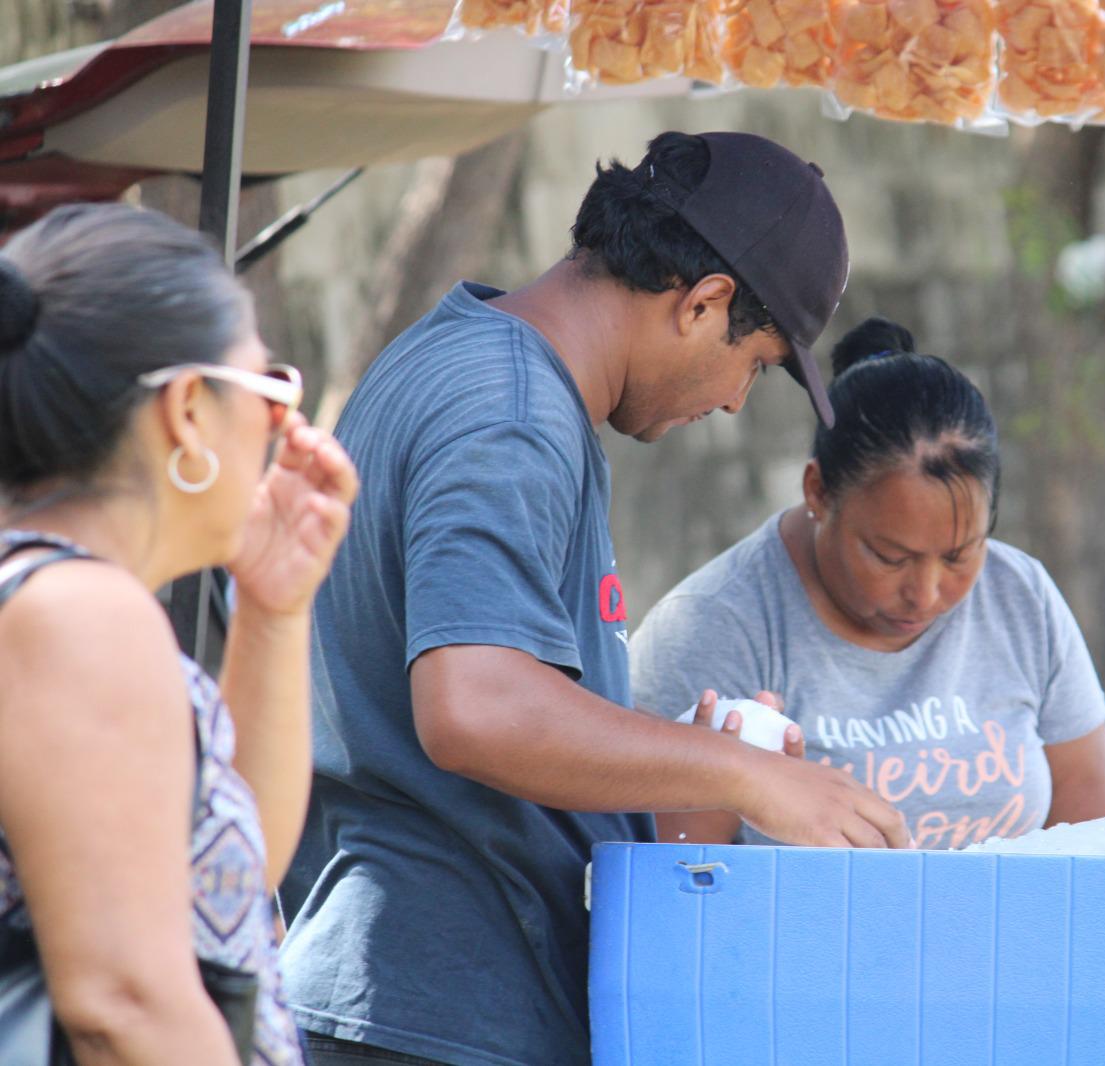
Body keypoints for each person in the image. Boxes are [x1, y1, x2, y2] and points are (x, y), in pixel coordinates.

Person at [278, 131, 909, 1066]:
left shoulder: (467, 360)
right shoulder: (510, 411)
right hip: (434, 1014)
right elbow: (475, 707)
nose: (736, 403)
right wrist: (748, 775)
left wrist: (687, 766)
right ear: (704, 303)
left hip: (418, 997)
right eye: (756, 363)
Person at [0, 203, 358, 1065]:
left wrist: (273, 611)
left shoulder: (54, 599)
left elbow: (220, 882)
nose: (285, 429)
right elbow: (127, 1003)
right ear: (190, 408)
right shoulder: (81, 616)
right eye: (270, 392)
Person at [631, 317, 1105, 851]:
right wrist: (734, 779)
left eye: (959, 555)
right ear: (818, 491)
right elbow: (666, 874)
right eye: (890, 557)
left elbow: (1100, 840)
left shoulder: (1021, 597)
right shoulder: (714, 626)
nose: (926, 594)